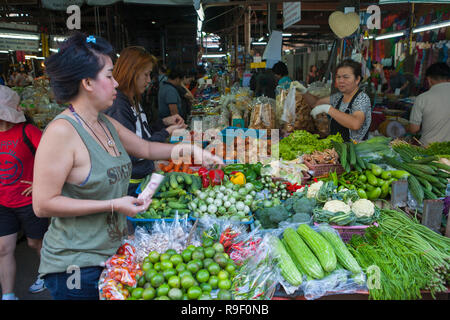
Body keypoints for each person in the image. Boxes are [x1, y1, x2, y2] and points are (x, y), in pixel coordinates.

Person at [32, 33, 222, 300]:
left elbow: (145, 148)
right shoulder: (62, 132)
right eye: (109, 75)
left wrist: (191, 151)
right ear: (87, 82)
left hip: (112, 255)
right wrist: (113, 205)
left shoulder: (104, 123)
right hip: (75, 266)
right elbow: (42, 204)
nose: (116, 82)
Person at [104, 46, 187, 196]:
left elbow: (141, 133)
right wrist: (165, 132)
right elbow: (135, 150)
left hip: (141, 179)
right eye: (146, 75)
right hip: (129, 187)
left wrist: (164, 122)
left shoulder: (132, 99)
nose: (149, 80)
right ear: (132, 73)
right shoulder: (119, 106)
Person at [0, 85, 48, 300]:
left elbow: (52, 157)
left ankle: (46, 275)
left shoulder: (28, 131)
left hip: (29, 201)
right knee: (3, 249)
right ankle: (8, 295)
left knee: (35, 243)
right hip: (3, 203)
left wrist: (40, 182)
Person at [303, 59, 372, 142]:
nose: (341, 81)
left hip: (354, 151)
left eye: (346, 77)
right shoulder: (338, 97)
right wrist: (303, 91)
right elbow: (315, 103)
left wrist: (328, 109)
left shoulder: (362, 98)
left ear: (357, 79)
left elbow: (355, 123)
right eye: (338, 77)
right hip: (337, 150)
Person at [408, 62, 450, 146]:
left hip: (428, 150)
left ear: (429, 80)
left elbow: (414, 129)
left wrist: (405, 127)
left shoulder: (422, 98)